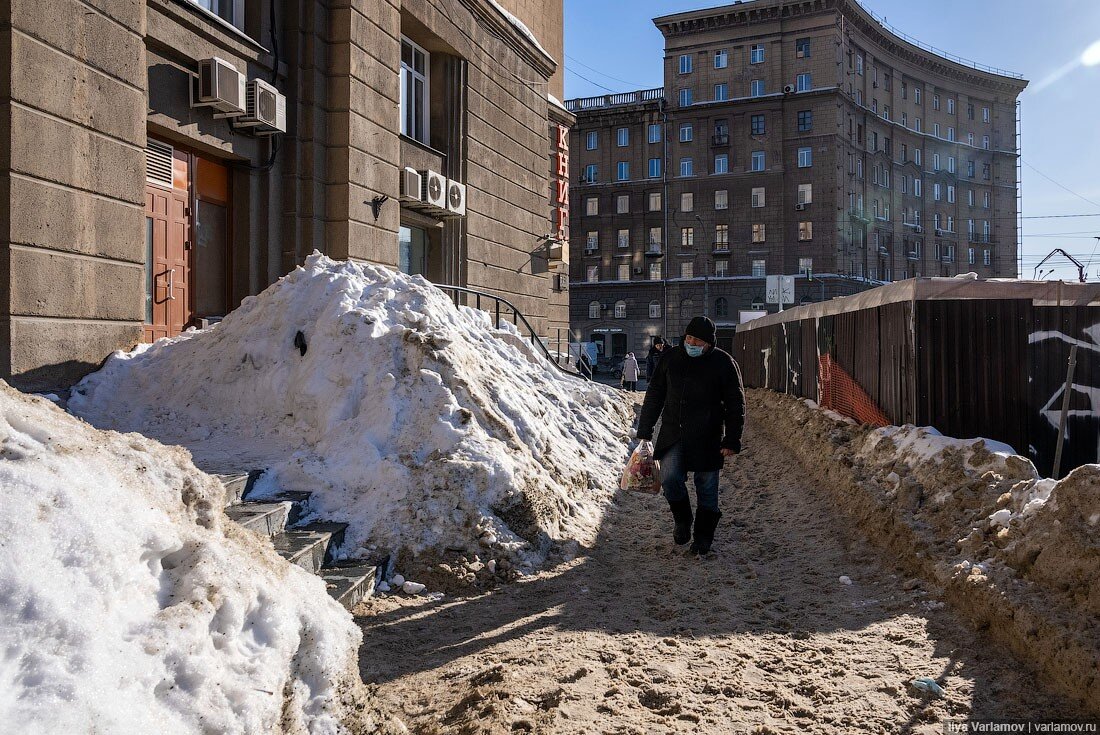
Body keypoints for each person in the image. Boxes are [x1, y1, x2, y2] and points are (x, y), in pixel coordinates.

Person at [636, 316, 745, 555]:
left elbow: (735, 404)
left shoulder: (723, 363)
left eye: (697, 339)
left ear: (708, 343)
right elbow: (655, 393)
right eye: (688, 337)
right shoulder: (671, 358)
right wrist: (645, 429)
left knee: (706, 487)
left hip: (708, 435)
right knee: (669, 478)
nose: (691, 342)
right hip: (674, 432)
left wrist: (732, 439)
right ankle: (683, 520)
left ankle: (704, 537)